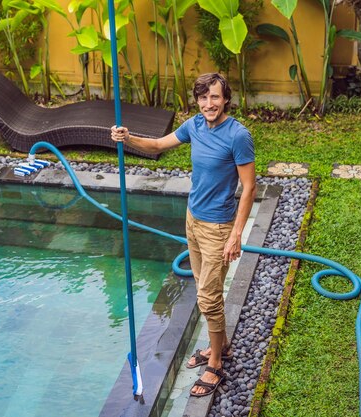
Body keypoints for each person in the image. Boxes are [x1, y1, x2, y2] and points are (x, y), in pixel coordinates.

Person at [111, 73, 256, 397]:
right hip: (193, 219)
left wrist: (236, 235)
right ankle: (224, 346)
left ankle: (215, 363)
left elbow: (249, 188)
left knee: (207, 297)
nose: (208, 104)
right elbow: (160, 145)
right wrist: (127, 138)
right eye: (203, 98)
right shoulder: (194, 125)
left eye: (215, 98)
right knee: (207, 291)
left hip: (218, 228)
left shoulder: (238, 136)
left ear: (226, 100)